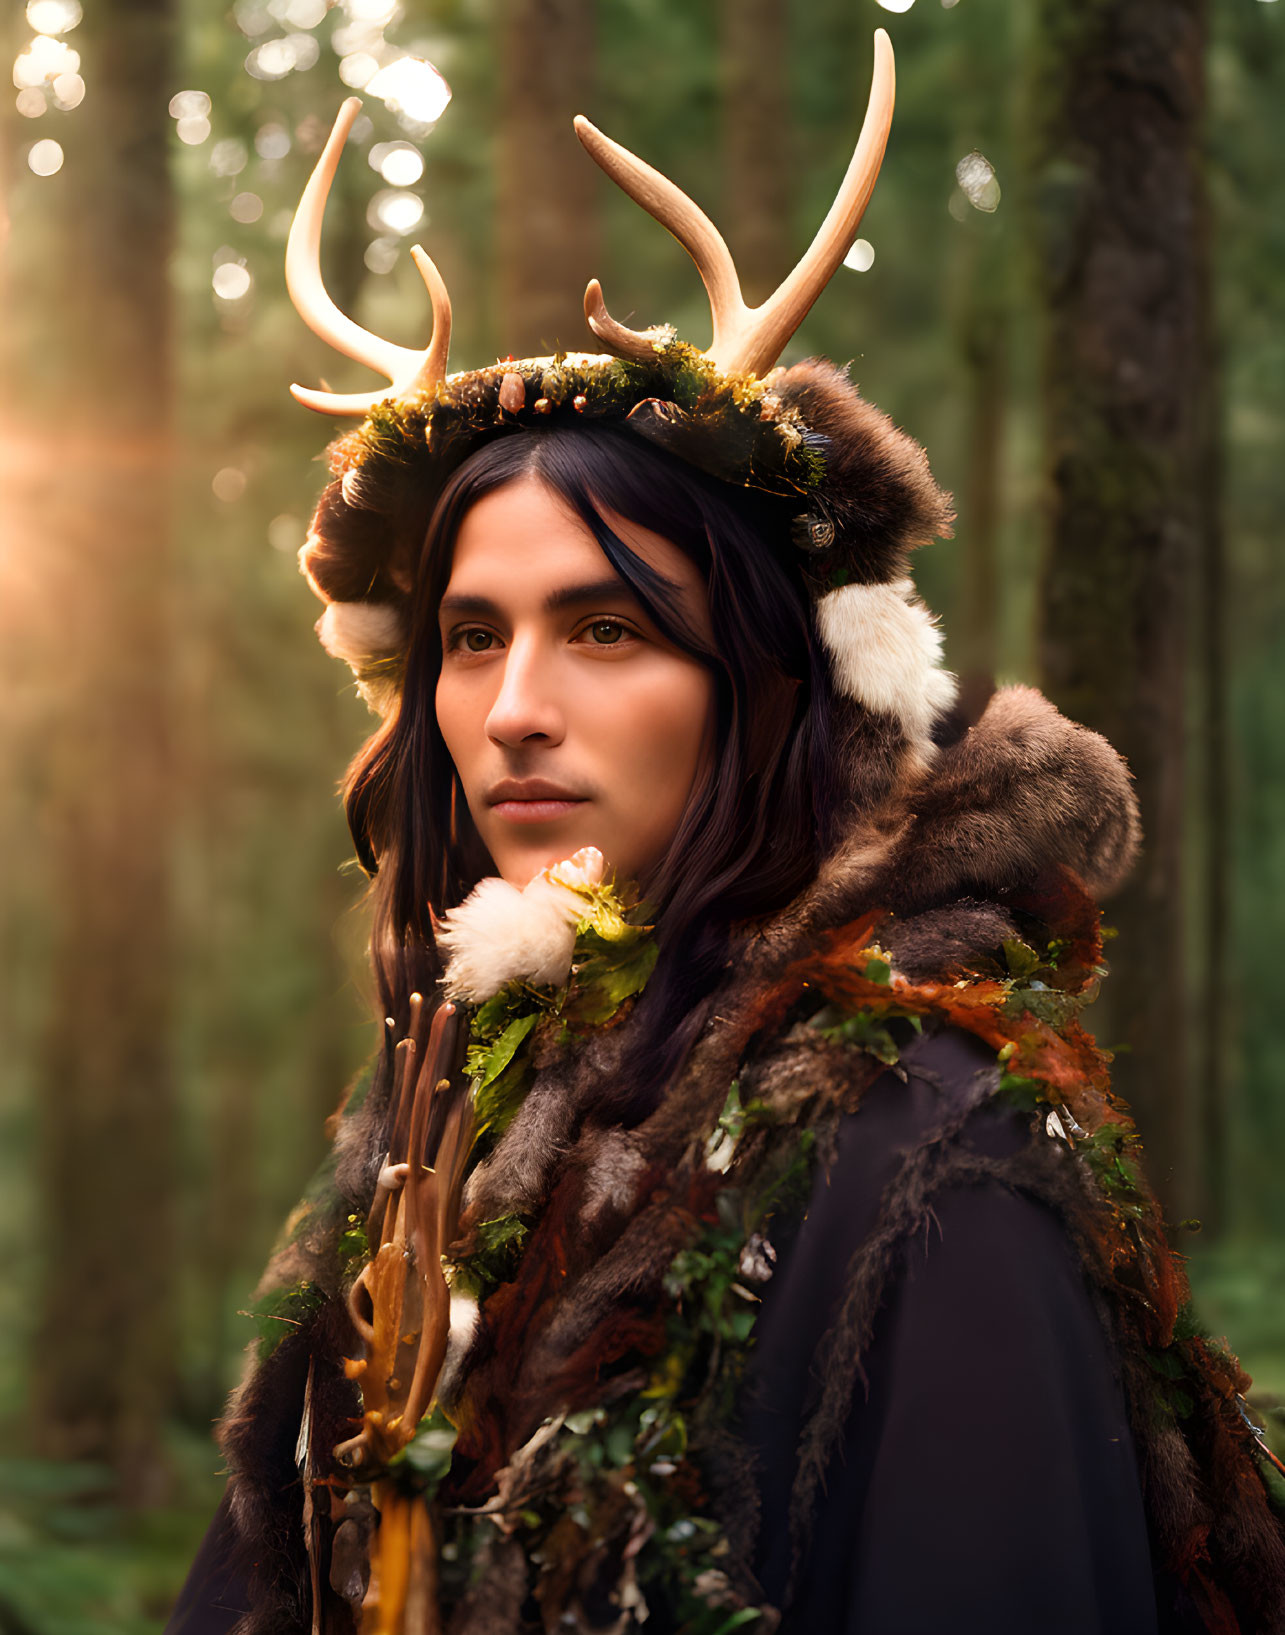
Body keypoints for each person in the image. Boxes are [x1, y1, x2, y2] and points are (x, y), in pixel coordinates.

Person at [167, 33, 1285, 1635]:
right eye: (471, 638)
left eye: (607, 630)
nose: (511, 709)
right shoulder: (458, 1093)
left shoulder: (930, 1151)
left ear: (767, 688)